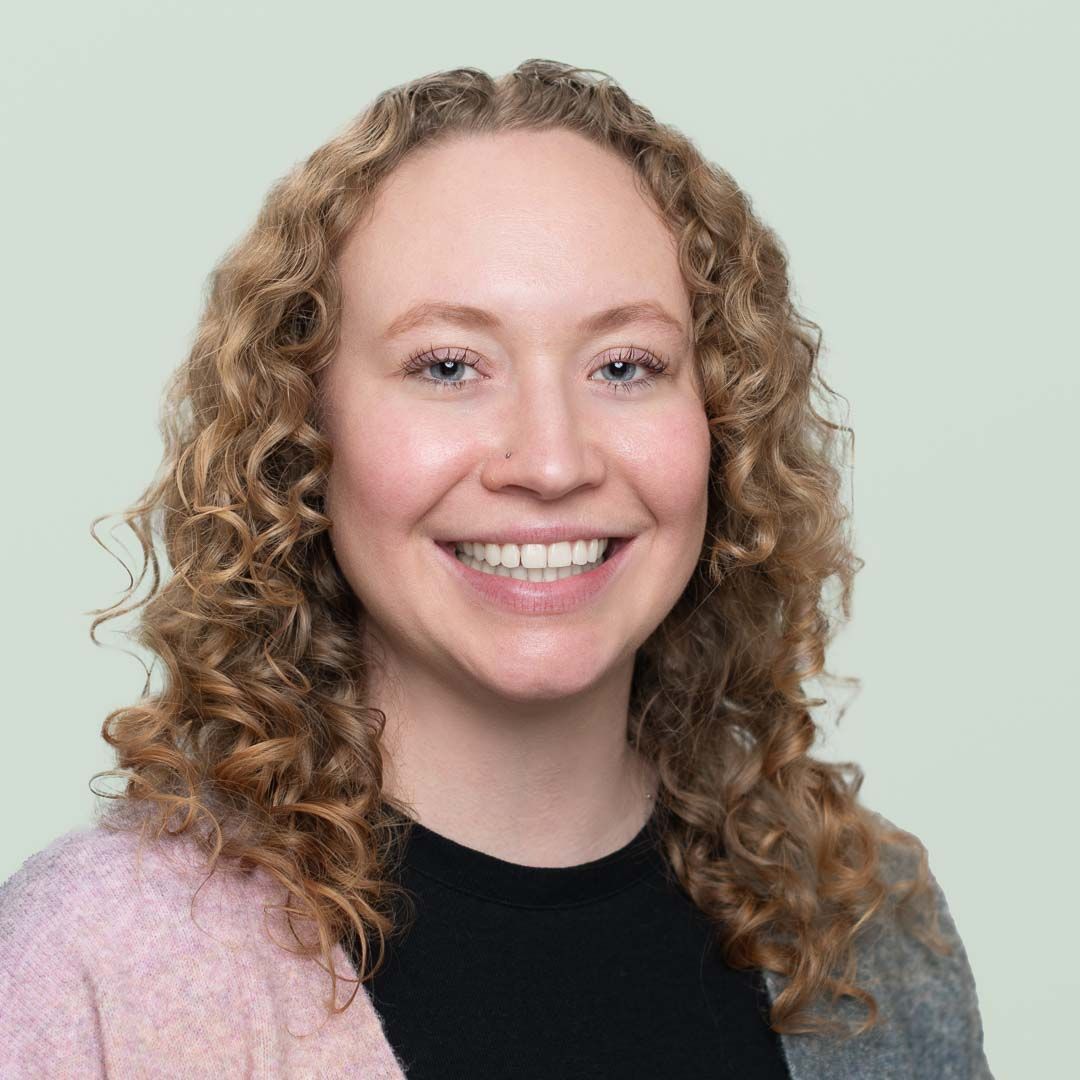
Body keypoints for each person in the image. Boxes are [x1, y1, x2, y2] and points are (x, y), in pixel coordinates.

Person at [0, 59, 992, 1078]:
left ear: (722, 423)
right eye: (447, 367)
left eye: (624, 366)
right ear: (302, 433)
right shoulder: (102, 967)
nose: (551, 463)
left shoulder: (866, 922)